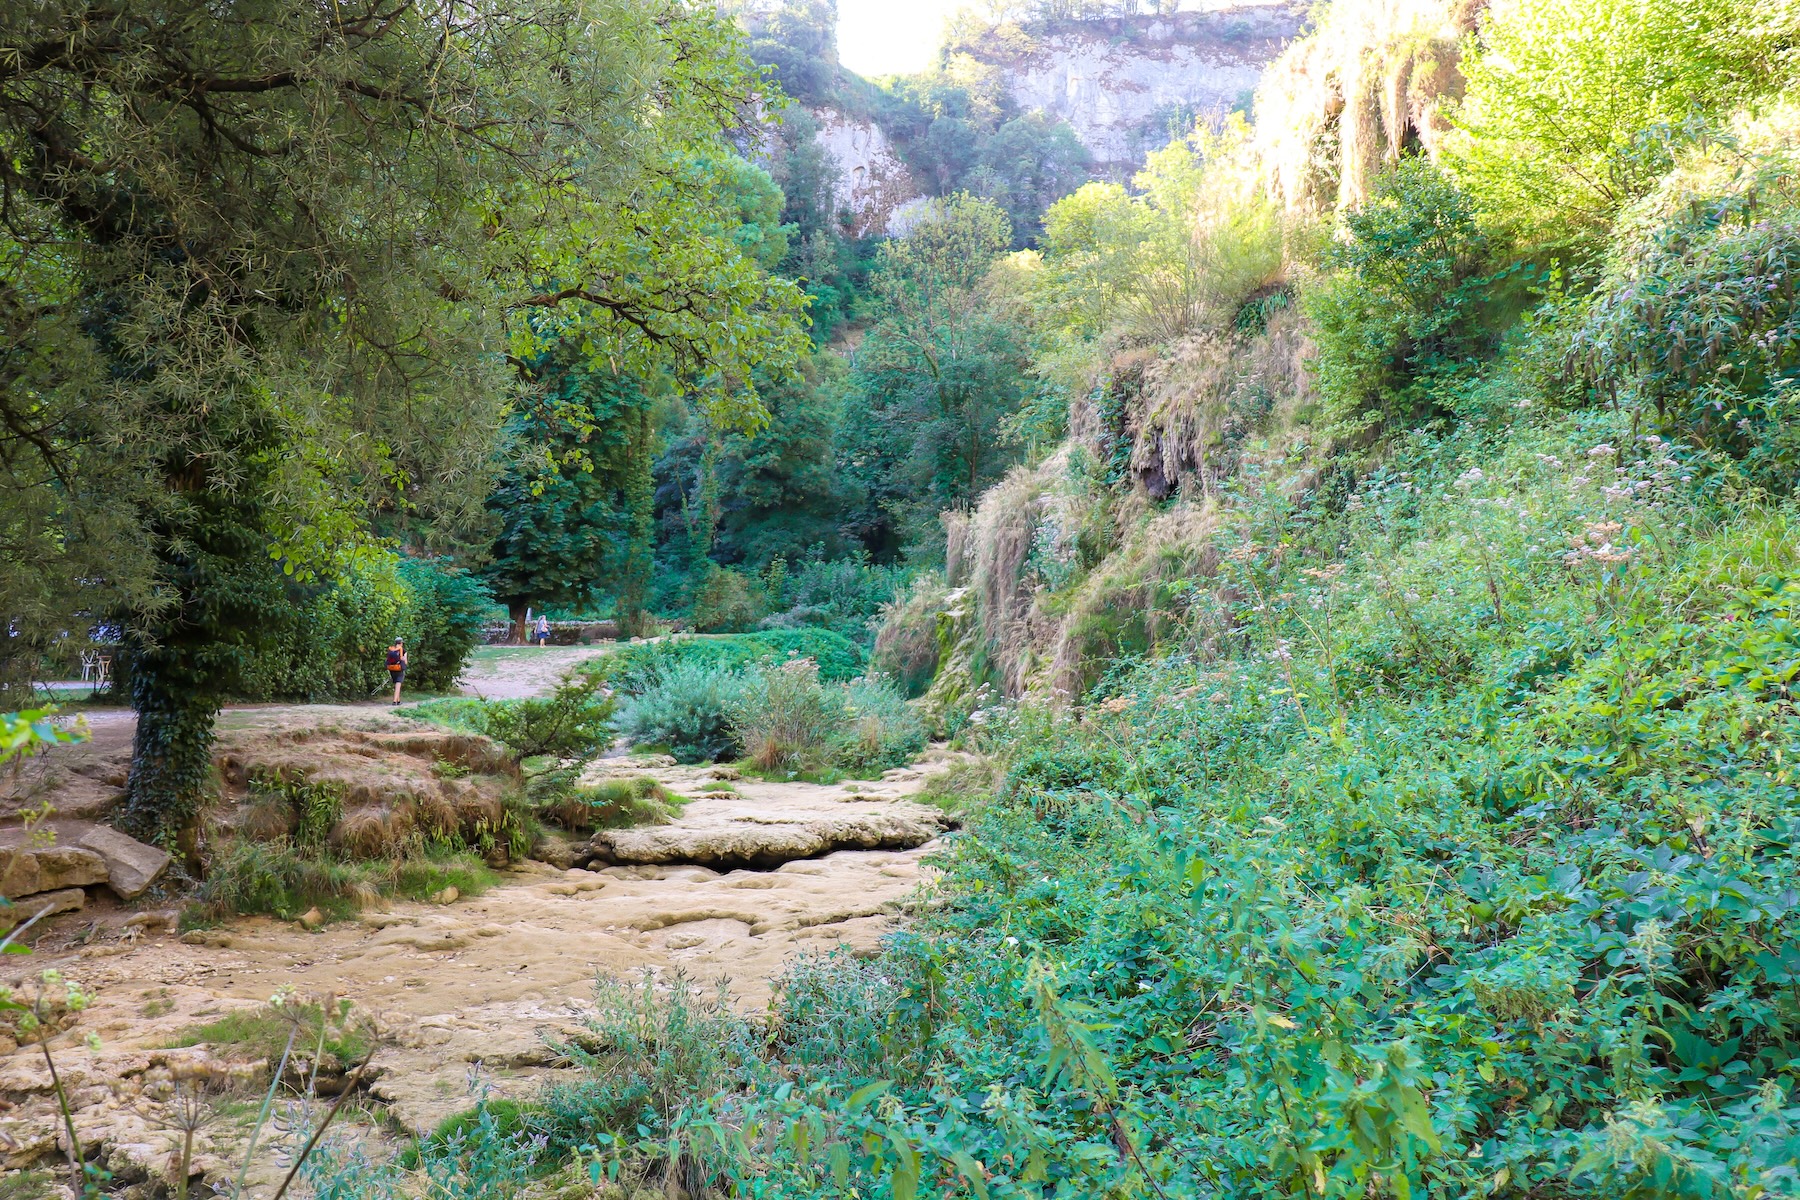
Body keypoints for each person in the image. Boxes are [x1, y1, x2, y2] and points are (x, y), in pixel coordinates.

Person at [386, 638, 408, 704]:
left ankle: (398, 701)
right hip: (399, 668)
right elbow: (405, 661)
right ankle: (394, 701)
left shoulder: (391, 649)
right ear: (401, 643)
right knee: (398, 684)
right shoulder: (403, 650)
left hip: (391, 668)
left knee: (395, 683)